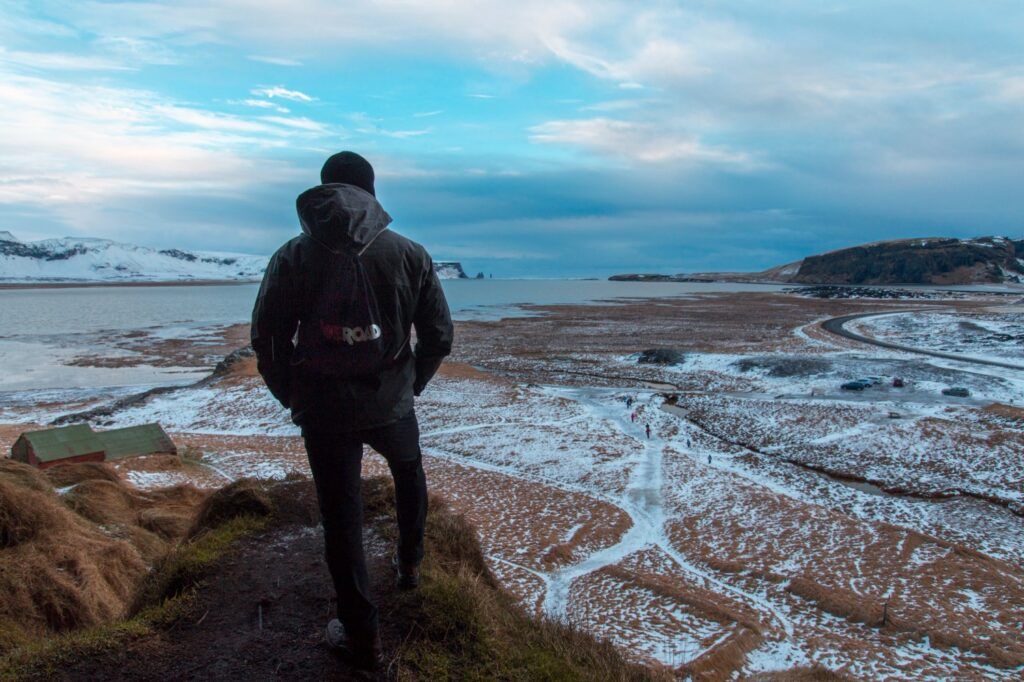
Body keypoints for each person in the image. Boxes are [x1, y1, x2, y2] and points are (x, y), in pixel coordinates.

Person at [251, 151, 454, 671]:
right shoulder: (409, 253)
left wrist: (293, 395)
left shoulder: (293, 256)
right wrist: (412, 385)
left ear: (324, 191)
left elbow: (267, 339)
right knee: (409, 473)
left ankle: (363, 643)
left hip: (323, 409)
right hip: (391, 402)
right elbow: (439, 336)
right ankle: (409, 564)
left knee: (341, 517)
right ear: (371, 190)